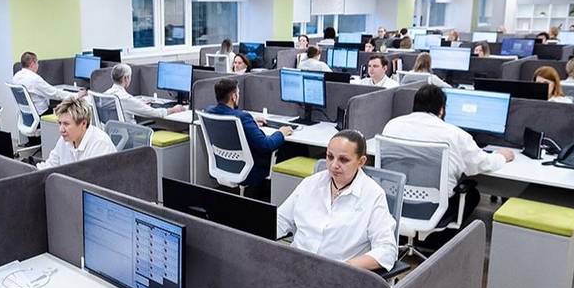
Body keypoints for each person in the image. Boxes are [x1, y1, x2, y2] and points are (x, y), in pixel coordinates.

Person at [381, 84, 514, 225]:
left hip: (393, 203)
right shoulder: (454, 134)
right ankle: (442, 237)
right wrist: (501, 156)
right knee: (472, 195)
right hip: (432, 209)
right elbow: (482, 164)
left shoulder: (391, 126)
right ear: (441, 110)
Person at [276, 131, 397, 272]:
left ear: (361, 162)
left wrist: (345, 267)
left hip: (337, 275)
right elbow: (280, 220)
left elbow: (386, 250)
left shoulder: (372, 195)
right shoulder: (311, 183)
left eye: (343, 160)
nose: (334, 165)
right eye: (330, 157)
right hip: (295, 266)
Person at [203, 78, 291, 199]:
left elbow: (231, 117)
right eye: (238, 93)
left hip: (224, 165)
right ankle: (272, 199)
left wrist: (251, 122)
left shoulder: (209, 112)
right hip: (249, 170)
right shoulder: (242, 117)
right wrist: (281, 133)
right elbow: (265, 145)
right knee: (290, 148)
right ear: (234, 97)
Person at [37, 97, 115, 169]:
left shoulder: (100, 144)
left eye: (66, 124)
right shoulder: (65, 139)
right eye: (60, 123)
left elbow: (94, 178)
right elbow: (49, 166)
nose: (61, 129)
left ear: (83, 124)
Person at [106, 63, 184, 122]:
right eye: (130, 77)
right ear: (126, 78)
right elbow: (154, 113)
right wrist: (173, 109)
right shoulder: (126, 99)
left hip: (114, 133)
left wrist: (138, 103)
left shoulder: (106, 95)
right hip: (130, 133)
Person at [12, 51, 83, 115]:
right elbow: (55, 93)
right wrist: (77, 95)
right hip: (41, 113)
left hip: (27, 114)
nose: (38, 65)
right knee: (69, 110)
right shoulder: (34, 79)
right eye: (37, 63)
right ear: (33, 63)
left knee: (60, 106)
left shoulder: (16, 77)